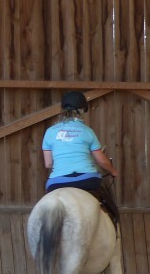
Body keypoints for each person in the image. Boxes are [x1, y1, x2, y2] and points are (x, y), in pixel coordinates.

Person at [42, 90, 120, 222]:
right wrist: (113, 171)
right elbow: (101, 161)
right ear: (82, 110)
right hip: (86, 180)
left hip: (57, 182)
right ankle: (114, 225)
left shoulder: (50, 132)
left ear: (62, 110)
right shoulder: (87, 131)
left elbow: (48, 164)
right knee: (109, 206)